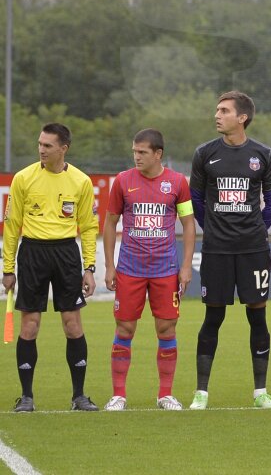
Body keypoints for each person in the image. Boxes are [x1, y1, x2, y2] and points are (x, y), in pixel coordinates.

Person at [189, 90, 271, 409]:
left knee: (258, 315)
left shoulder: (263, 154)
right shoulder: (204, 154)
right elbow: (196, 201)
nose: (217, 115)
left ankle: (261, 393)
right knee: (212, 316)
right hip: (216, 250)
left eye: (224, 110)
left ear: (242, 117)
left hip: (254, 251)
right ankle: (201, 393)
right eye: (217, 110)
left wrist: (255, 230)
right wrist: (214, 229)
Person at [3, 123, 100, 412]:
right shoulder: (23, 178)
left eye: (47, 145)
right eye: (40, 144)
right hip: (32, 253)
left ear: (63, 149)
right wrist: (8, 269)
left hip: (66, 254)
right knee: (30, 325)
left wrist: (89, 267)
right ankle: (26, 397)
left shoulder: (81, 181)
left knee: (72, 325)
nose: (41, 150)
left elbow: (88, 227)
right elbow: (11, 226)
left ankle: (79, 396)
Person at [102, 130, 195, 411]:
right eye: (134, 151)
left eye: (142, 152)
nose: (136, 156)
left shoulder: (178, 182)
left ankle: (165, 394)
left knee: (166, 329)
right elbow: (110, 223)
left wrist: (186, 265)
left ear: (158, 154)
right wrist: (109, 265)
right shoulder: (122, 181)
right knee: (125, 328)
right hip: (130, 269)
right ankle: (118, 395)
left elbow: (188, 224)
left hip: (165, 269)